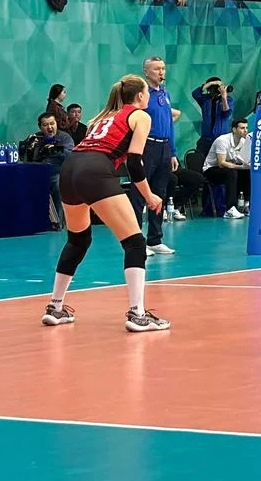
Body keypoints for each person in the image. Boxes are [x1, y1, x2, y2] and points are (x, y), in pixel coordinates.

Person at [42, 74, 169, 332]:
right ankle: (138, 314)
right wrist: (149, 195)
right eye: (147, 92)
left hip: (70, 169)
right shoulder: (141, 115)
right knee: (135, 242)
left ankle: (55, 307)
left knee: (78, 240)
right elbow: (134, 162)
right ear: (141, 95)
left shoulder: (103, 117)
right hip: (95, 170)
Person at [139, 57, 182, 253]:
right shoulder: (141, 95)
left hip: (164, 148)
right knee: (140, 194)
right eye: (156, 69)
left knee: (159, 193)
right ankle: (136, 242)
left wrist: (173, 152)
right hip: (147, 147)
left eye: (163, 68)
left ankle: (154, 240)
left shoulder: (164, 93)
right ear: (146, 72)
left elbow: (170, 124)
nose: (161, 72)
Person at [24, 112, 75, 229]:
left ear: (56, 124)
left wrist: (57, 150)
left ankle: (57, 222)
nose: (50, 127)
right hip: (37, 173)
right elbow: (25, 157)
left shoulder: (65, 138)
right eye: (45, 125)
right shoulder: (35, 138)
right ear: (40, 127)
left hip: (58, 172)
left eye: (52, 123)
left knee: (57, 185)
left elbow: (71, 156)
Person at [203, 118, 252, 219]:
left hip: (229, 167)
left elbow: (242, 160)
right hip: (211, 170)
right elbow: (221, 163)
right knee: (232, 173)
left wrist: (246, 165)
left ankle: (246, 204)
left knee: (247, 172)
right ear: (234, 129)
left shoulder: (243, 142)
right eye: (242, 128)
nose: (245, 130)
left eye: (246, 128)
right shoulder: (222, 140)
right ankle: (230, 209)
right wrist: (240, 167)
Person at [192, 77, 233, 162]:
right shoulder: (205, 99)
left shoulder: (228, 99)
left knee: (221, 162)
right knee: (199, 160)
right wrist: (211, 83)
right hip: (206, 138)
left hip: (221, 138)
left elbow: (226, 113)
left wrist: (224, 97)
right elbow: (195, 93)